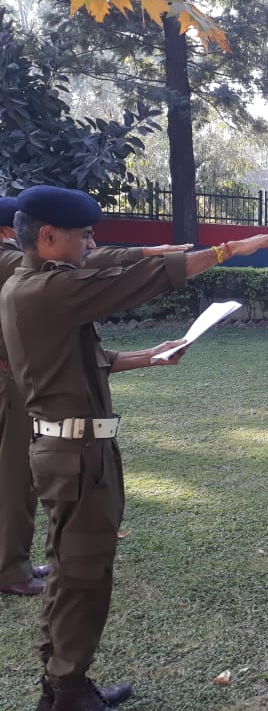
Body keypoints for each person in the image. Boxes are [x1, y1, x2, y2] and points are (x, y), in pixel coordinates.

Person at [0, 185, 268, 710]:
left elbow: (84, 357)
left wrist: (146, 357)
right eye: (83, 235)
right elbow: (137, 281)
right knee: (83, 576)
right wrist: (228, 250)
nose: (91, 244)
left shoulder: (34, 283)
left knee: (73, 572)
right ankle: (65, 691)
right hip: (76, 456)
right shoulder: (45, 290)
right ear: (47, 237)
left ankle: (63, 683)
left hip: (76, 451)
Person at [0, 199, 193, 600]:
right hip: (15, 381)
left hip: (20, 374)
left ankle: (15, 562)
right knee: (14, 477)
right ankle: (10, 568)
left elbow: (87, 258)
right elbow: (87, 266)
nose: (89, 243)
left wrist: (140, 253)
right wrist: (152, 257)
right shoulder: (14, 266)